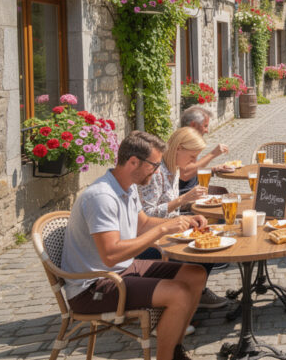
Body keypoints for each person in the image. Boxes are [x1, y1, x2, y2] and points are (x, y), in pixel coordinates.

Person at [60, 131, 208, 360]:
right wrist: (163, 229)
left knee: (195, 274)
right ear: (133, 162)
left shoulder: (127, 187)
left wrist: (184, 223)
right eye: (154, 165)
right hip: (94, 285)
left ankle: (175, 350)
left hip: (122, 271)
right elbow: (110, 256)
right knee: (178, 293)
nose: (158, 171)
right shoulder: (102, 197)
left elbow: (144, 223)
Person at [137, 127, 228, 309]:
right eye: (192, 156)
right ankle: (186, 298)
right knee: (202, 248)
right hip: (149, 239)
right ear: (178, 148)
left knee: (213, 234)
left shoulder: (174, 168)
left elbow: (171, 209)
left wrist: (191, 212)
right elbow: (146, 217)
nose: (193, 162)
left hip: (170, 228)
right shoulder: (156, 172)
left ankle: (196, 292)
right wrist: (183, 200)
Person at [176, 106, 233, 196]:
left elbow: (192, 168)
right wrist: (213, 154)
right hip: (185, 196)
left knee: (223, 192)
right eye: (205, 126)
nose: (207, 131)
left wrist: (214, 169)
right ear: (193, 125)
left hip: (195, 191)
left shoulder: (190, 140)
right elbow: (185, 175)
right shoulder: (183, 143)